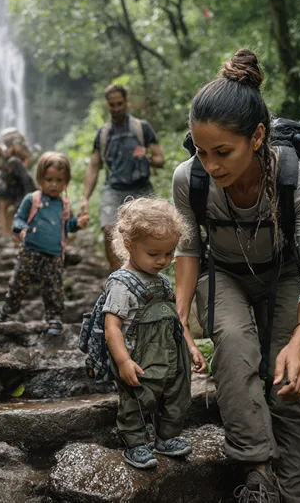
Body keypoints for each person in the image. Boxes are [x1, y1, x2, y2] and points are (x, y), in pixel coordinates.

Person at [172, 49, 300, 502]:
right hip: (224, 277)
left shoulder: (294, 180)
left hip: (285, 275)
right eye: (201, 152)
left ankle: (299, 490)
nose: (211, 165)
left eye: (223, 152)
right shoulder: (190, 181)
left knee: (289, 375)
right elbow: (188, 247)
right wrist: (181, 316)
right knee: (236, 350)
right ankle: (258, 472)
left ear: (257, 137)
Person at [101, 197, 208, 469]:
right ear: (128, 245)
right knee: (139, 398)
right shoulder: (122, 285)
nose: (163, 261)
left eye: (169, 254)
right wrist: (124, 361)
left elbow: (174, 317)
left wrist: (192, 347)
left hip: (172, 352)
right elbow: (112, 327)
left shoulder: (161, 280)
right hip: (140, 354)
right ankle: (135, 443)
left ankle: (167, 437)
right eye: (153, 254)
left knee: (177, 394)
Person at [0, 152, 89, 335]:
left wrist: (78, 224)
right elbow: (19, 218)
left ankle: (54, 319)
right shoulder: (32, 199)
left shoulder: (64, 205)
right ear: (39, 178)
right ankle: (8, 310)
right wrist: (21, 228)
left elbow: (66, 226)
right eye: (49, 179)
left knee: (54, 287)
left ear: (66, 181)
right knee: (18, 282)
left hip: (54, 255)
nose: (54, 184)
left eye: (59, 180)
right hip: (30, 250)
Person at [80, 84, 165, 271]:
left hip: (141, 188)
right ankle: (117, 275)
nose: (116, 108)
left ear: (126, 103)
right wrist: (85, 197)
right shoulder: (103, 134)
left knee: (146, 234)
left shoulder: (141, 128)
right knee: (110, 230)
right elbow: (94, 165)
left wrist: (148, 157)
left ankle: (145, 275)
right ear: (107, 105)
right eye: (112, 105)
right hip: (114, 188)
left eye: (119, 104)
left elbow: (161, 159)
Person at [0, 131, 36, 238]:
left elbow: (28, 159)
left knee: (18, 207)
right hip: (8, 185)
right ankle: (5, 233)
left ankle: (20, 231)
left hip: (21, 183)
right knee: (2, 206)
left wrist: (20, 171)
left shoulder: (12, 150)